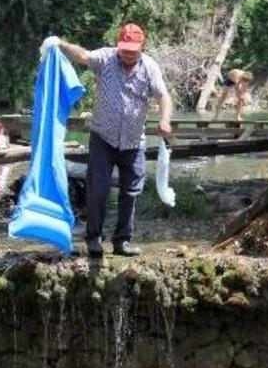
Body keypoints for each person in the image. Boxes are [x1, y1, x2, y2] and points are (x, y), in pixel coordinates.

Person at [44, 20, 174, 258]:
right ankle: (94, 238)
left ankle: (122, 241)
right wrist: (59, 44)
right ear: (119, 44)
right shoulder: (105, 58)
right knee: (98, 190)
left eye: (133, 50)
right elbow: (82, 55)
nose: (128, 54)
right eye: (125, 49)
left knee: (132, 192)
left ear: (141, 47)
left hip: (134, 142)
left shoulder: (149, 67)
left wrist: (165, 119)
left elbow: (164, 96)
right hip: (103, 138)